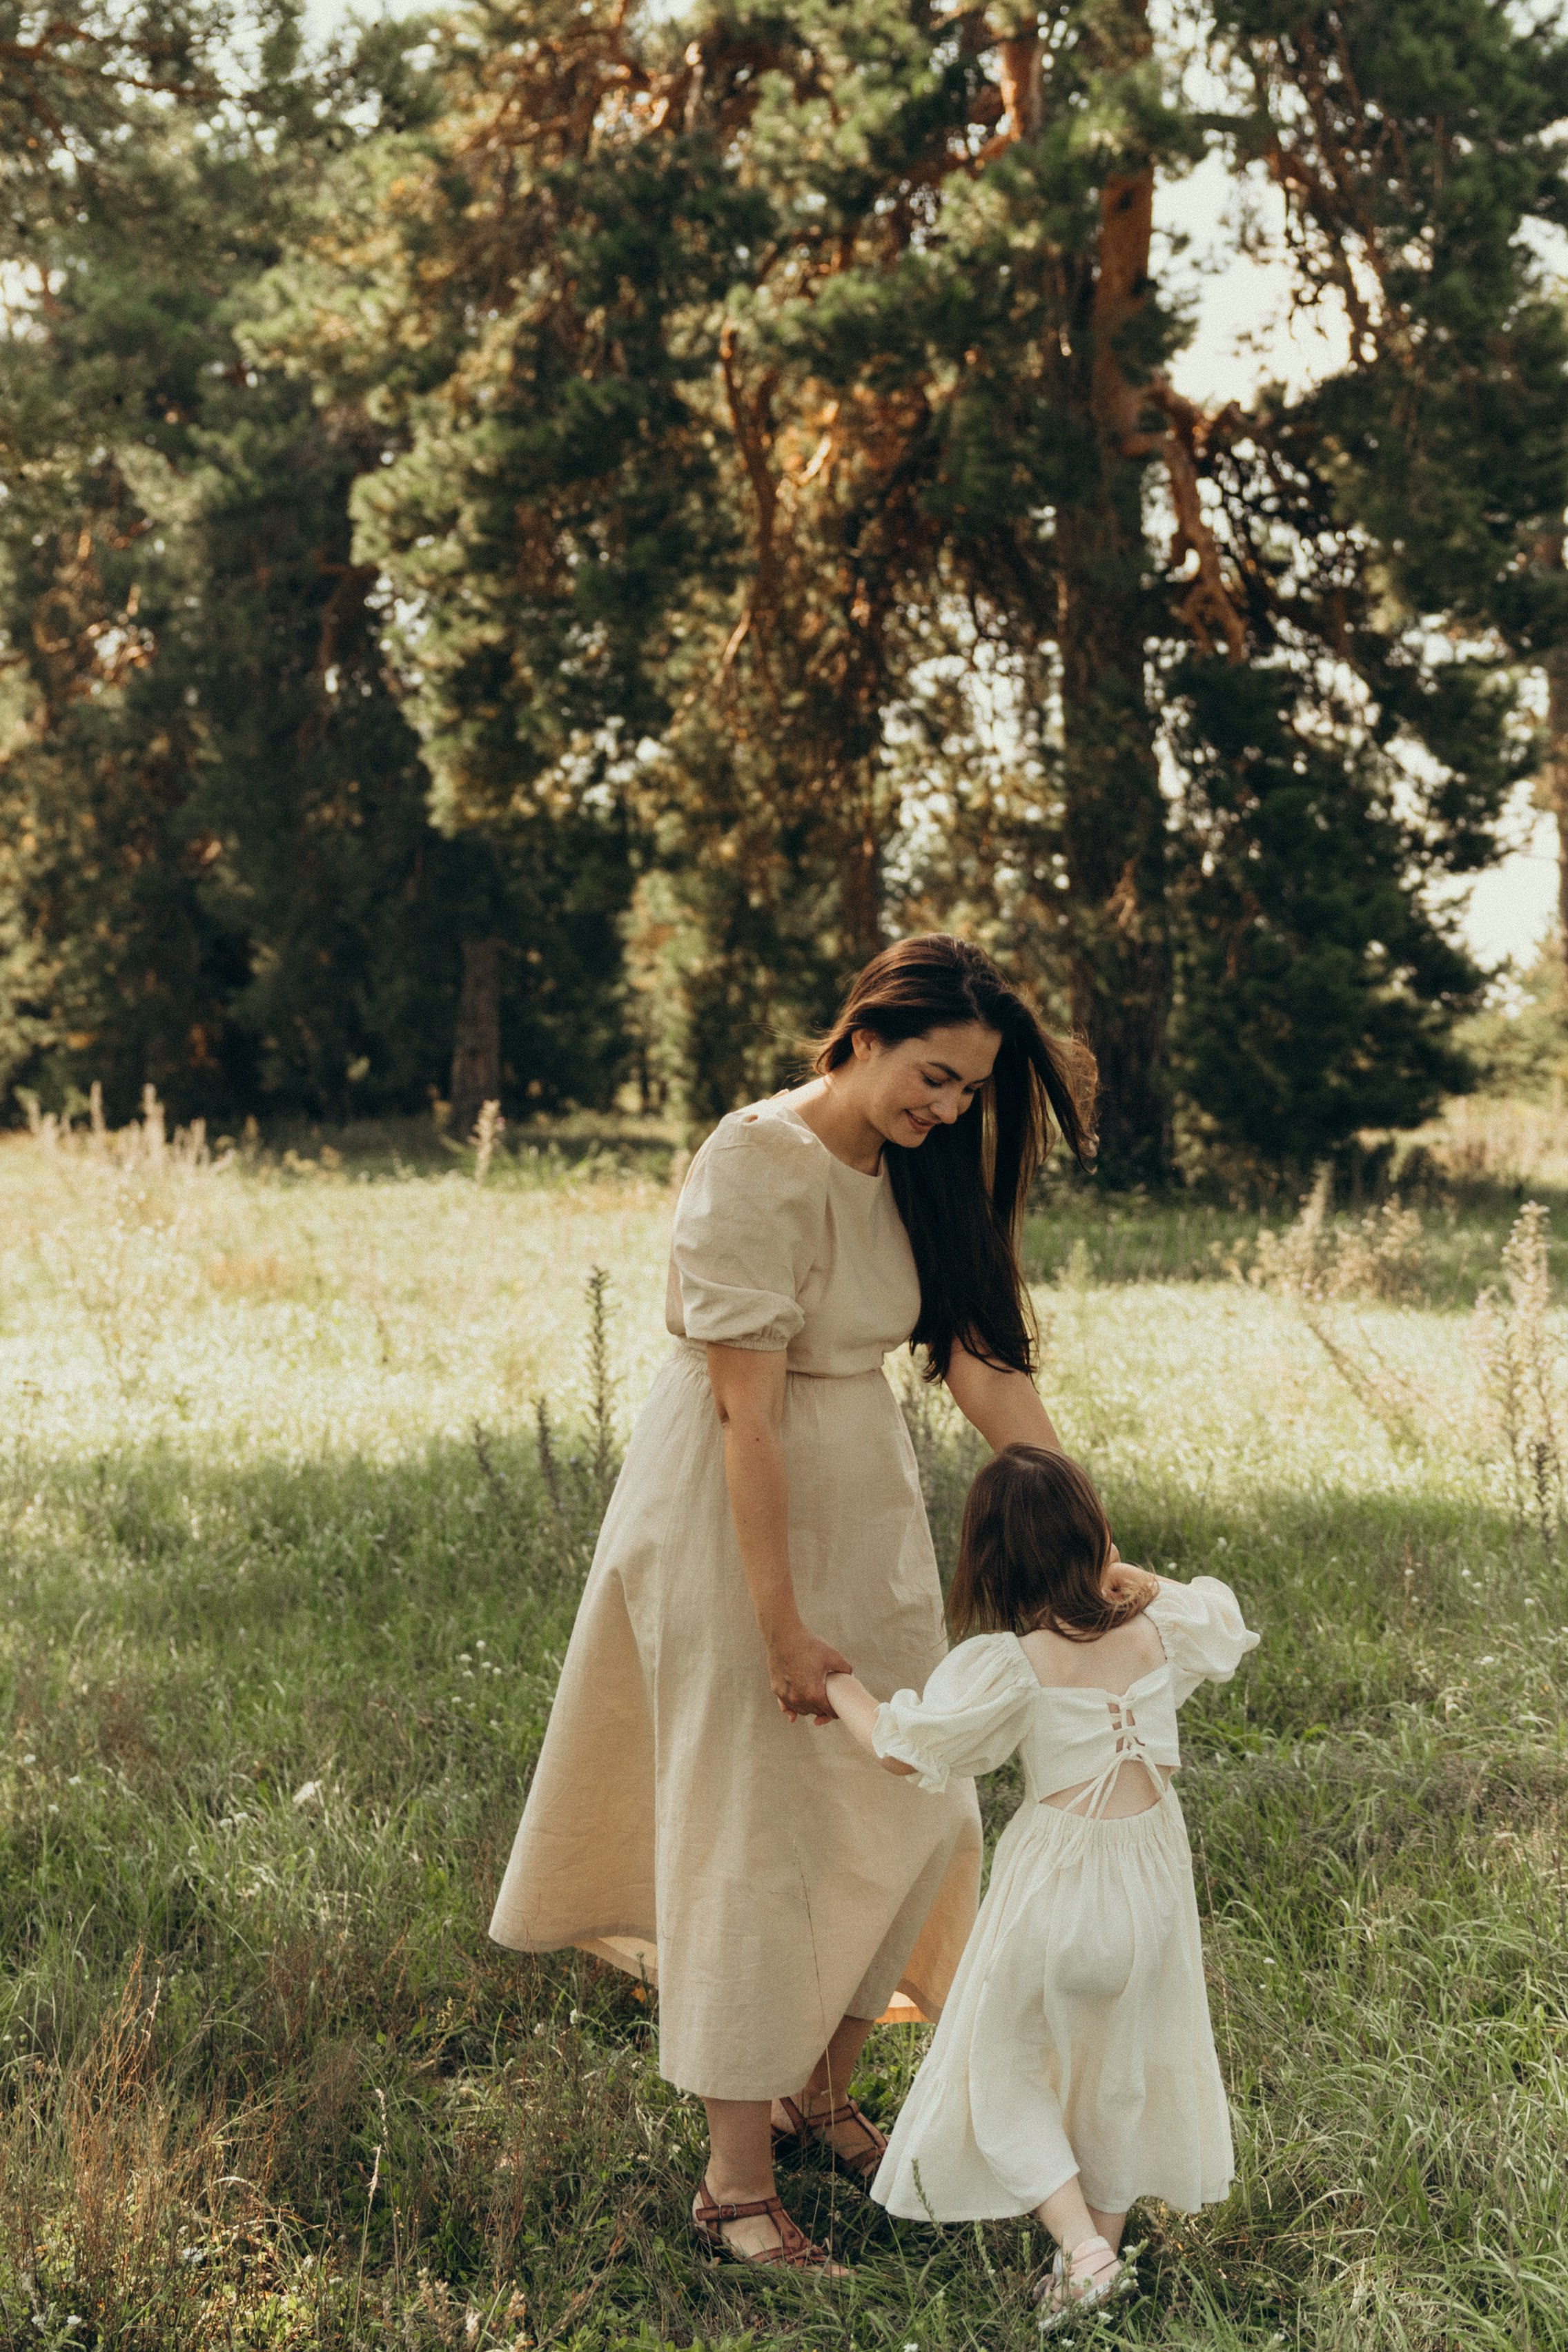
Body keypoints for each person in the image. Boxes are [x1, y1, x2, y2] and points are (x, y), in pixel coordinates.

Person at [489, 935, 1105, 2272]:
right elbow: (739, 1412)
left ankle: (813, 2089)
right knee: (754, 1832)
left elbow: (983, 1368)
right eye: (929, 1076)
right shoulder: (757, 1158)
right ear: (866, 1033)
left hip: (862, 1509)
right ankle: (732, 2184)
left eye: (966, 1093)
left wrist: (1082, 1544)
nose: (944, 1109)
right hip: (729, 1519)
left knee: (920, 1807)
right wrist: (777, 1623)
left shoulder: (924, 1170)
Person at [823, 1444, 1258, 2326]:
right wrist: (1118, 1569)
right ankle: (1092, 2261)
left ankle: (1083, 2249)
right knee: (1116, 2072)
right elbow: (1220, 1619)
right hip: (1150, 1893)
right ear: (1093, 1534)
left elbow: (906, 1746)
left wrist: (836, 1686)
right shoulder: (1160, 1627)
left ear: (990, 1564)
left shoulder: (1014, 1664)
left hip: (1057, 1894)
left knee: (1001, 2066)